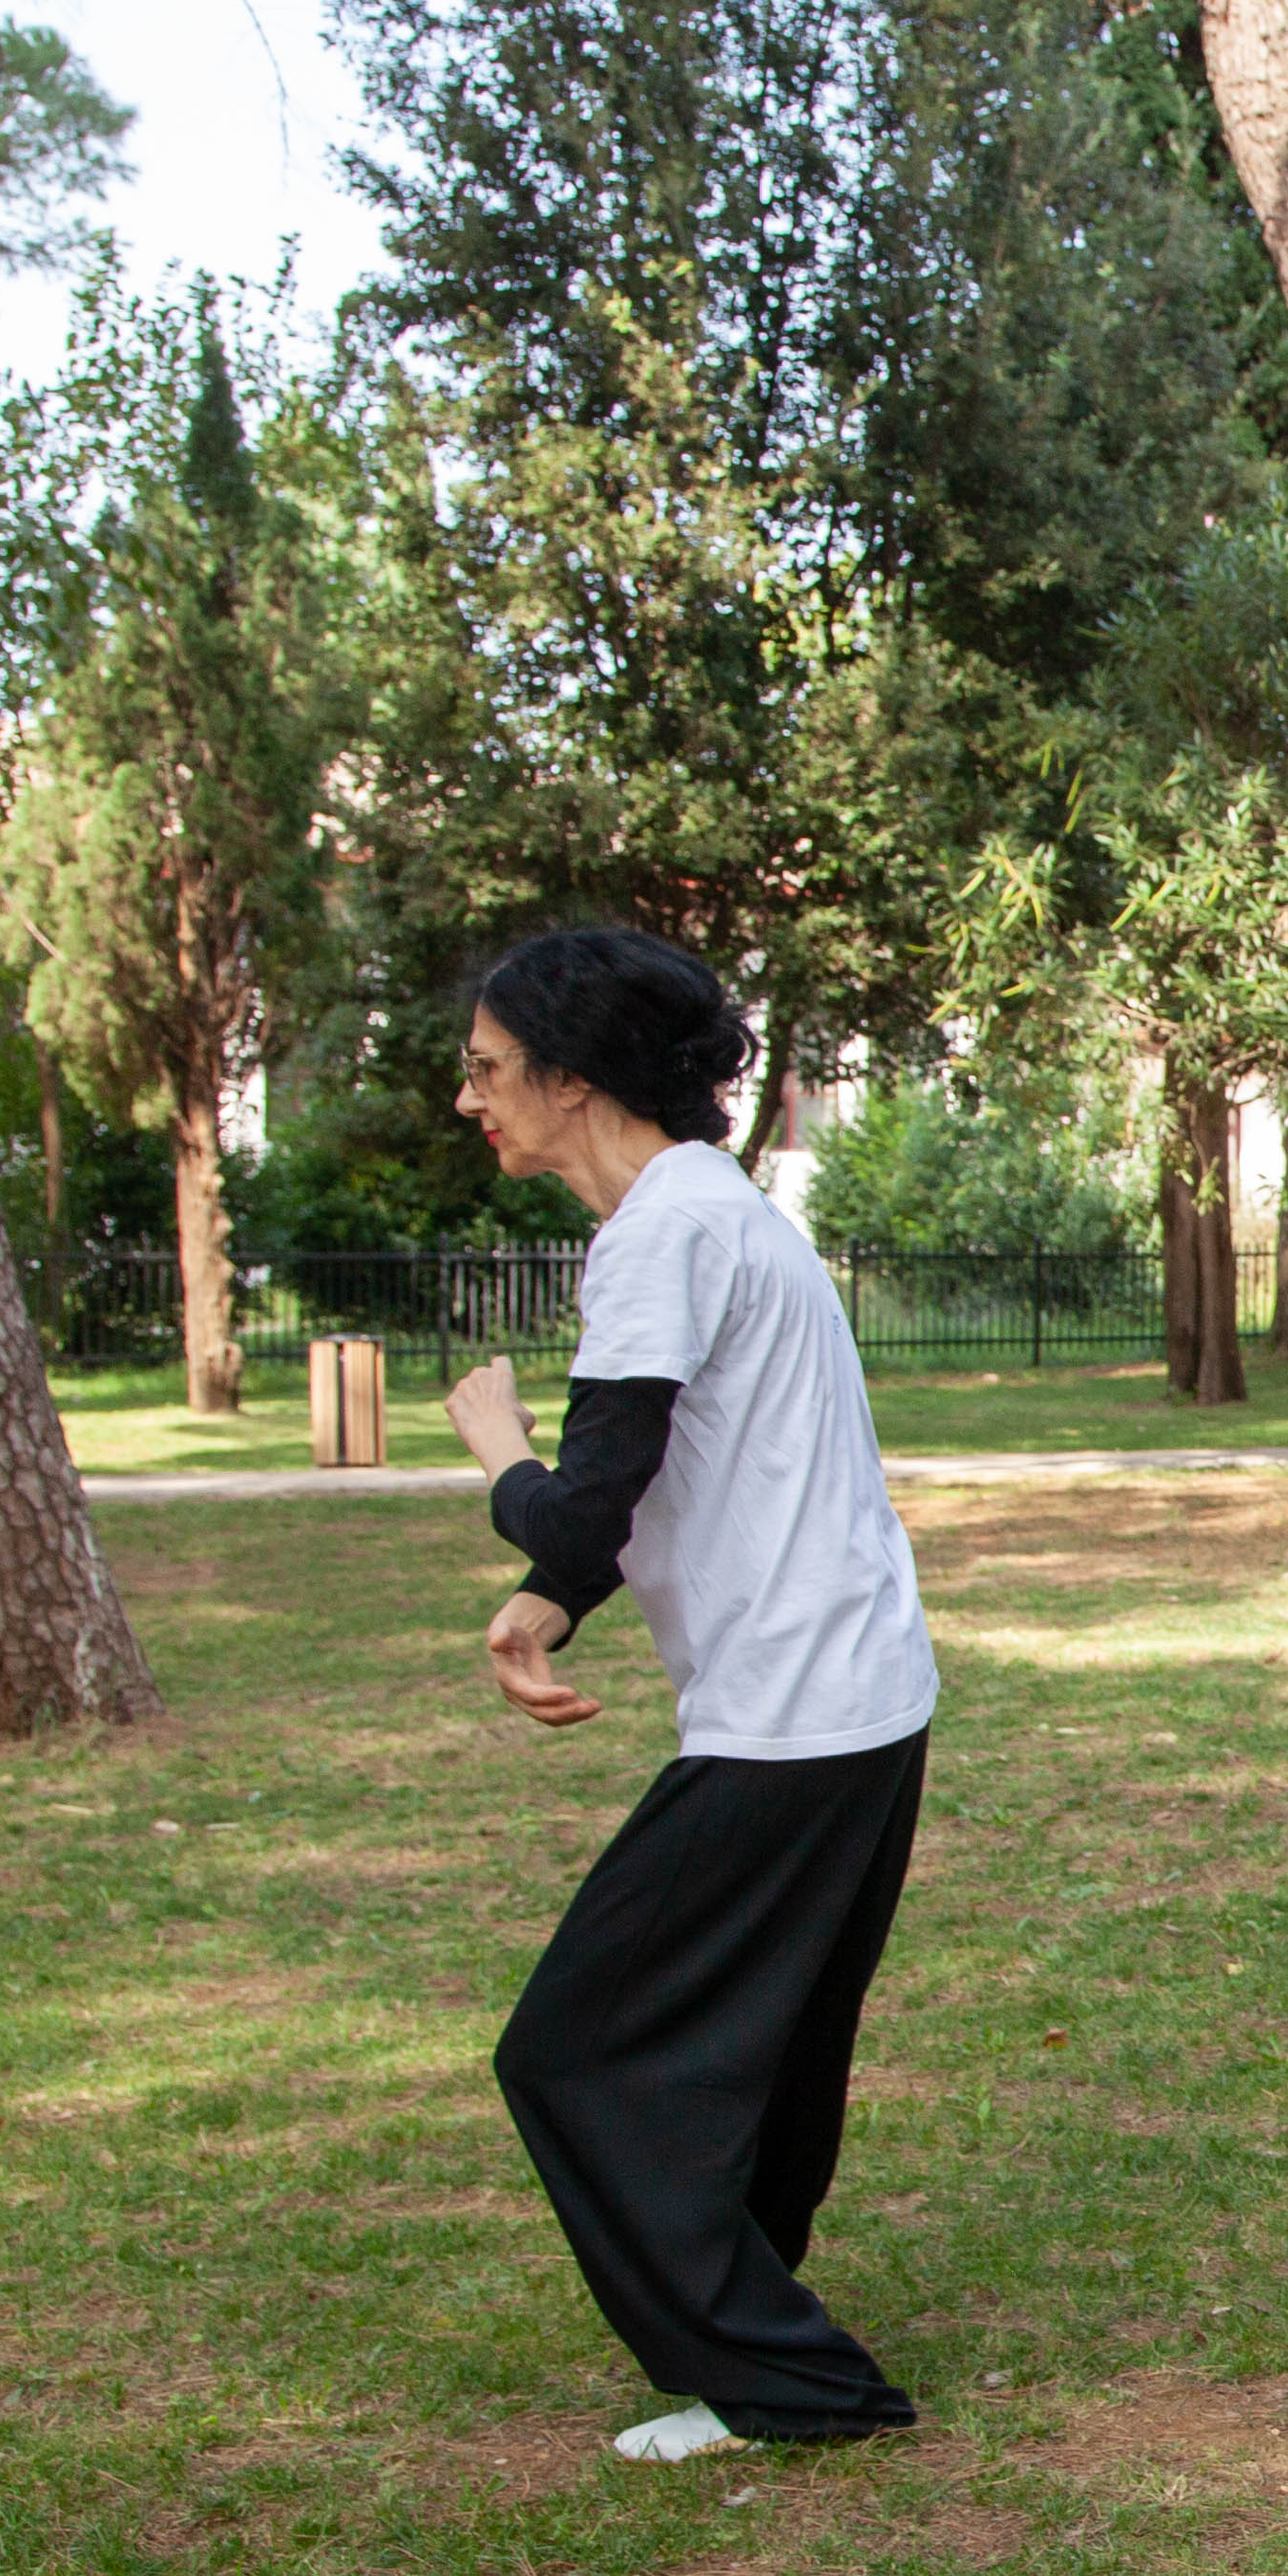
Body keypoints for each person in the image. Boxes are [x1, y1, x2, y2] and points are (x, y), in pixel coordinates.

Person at [439, 929, 945, 2469]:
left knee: (571, 2049)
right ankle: (754, 2353)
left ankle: (791, 2382)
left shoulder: (662, 1230)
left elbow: (596, 1489)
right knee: (770, 2043)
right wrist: (545, 1598)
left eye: (486, 1070)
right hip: (861, 1700)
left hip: (793, 1719)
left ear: (573, 1077)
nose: (469, 1101)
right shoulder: (721, 1213)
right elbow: (638, 1488)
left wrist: (495, 1453)